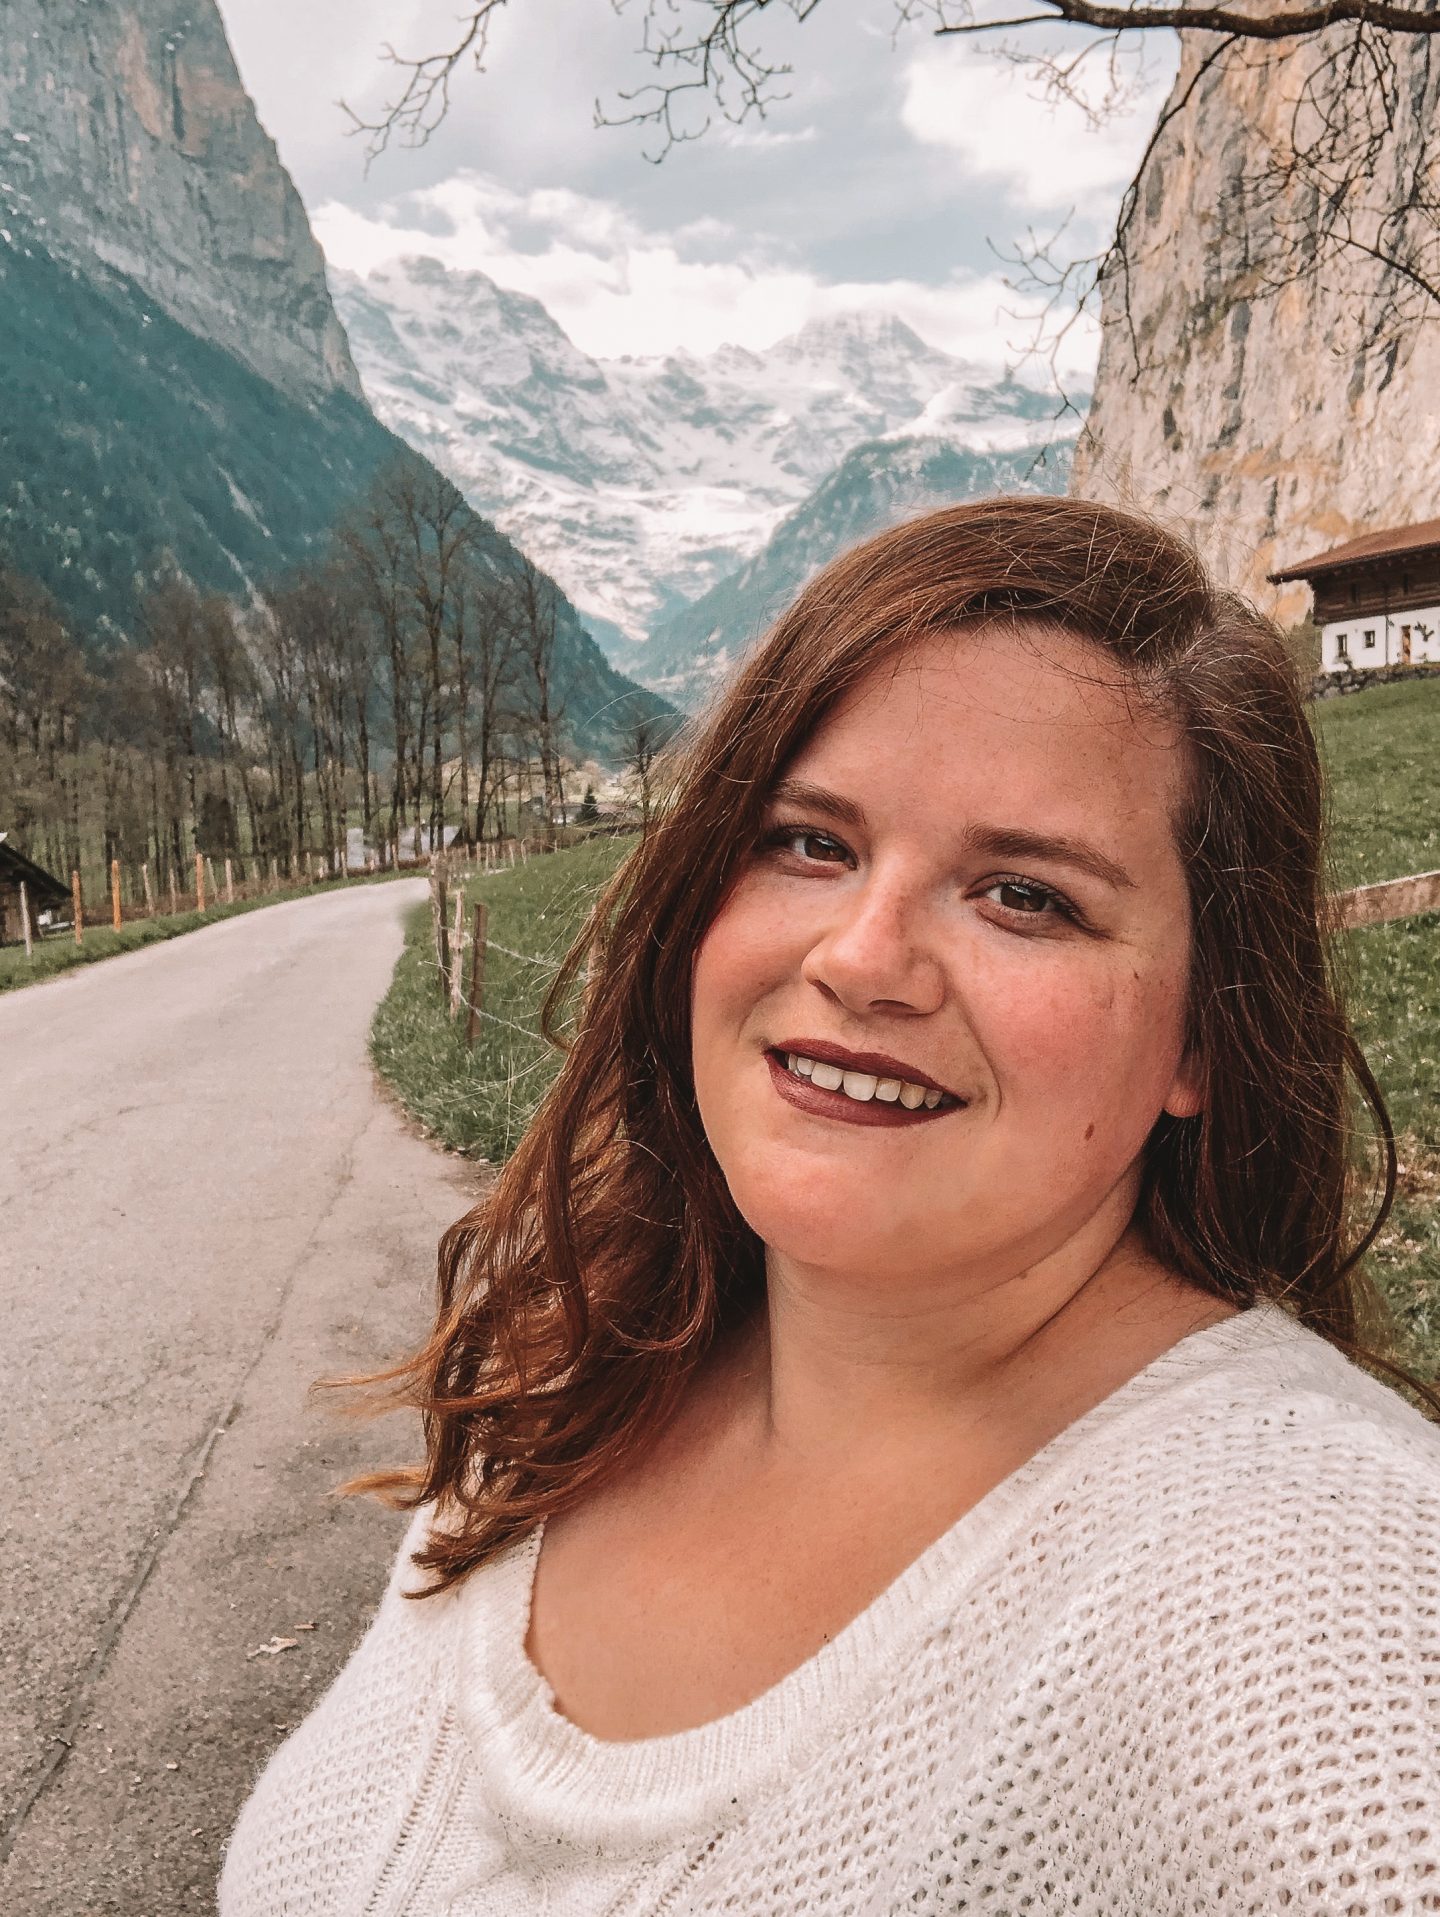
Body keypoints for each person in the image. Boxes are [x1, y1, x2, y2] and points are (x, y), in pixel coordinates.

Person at [219, 497, 1440, 1916]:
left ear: (1203, 1037)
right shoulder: (572, 1361)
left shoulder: (1337, 1631)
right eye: (811, 842)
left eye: (1026, 895)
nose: (866, 957)